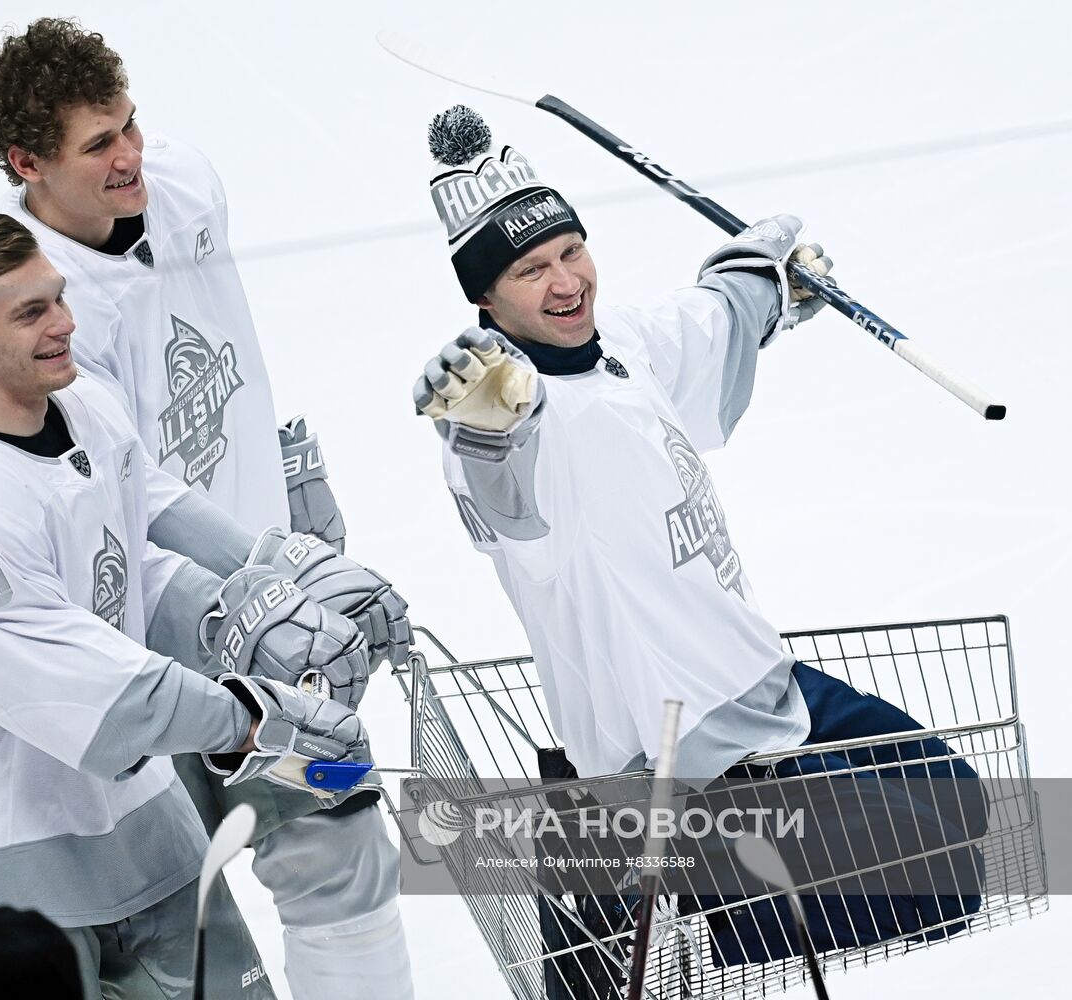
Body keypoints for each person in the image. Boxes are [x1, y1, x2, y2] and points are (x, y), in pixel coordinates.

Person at [412, 107, 987, 981]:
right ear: (484, 298)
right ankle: (701, 925)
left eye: (571, 251)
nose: (565, 281)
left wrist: (767, 275)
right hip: (678, 743)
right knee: (937, 852)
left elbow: (709, 319)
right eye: (530, 270)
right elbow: (505, 500)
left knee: (952, 808)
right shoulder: (506, 412)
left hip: (753, 682)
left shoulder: (623, 350)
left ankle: (679, 918)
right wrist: (486, 437)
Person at [0, 18, 414, 998]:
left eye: (129, 128)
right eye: (97, 145)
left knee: (341, 836)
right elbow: (109, 521)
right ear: (25, 163)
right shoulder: (28, 320)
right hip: (146, 669)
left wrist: (277, 521)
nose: (130, 159)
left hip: (271, 628)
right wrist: (239, 592)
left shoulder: (185, 184)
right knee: (165, 934)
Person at [0, 205, 377, 999]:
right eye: (32, 311)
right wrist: (251, 719)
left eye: (60, 297)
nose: (65, 325)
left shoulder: (86, 410)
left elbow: (138, 547)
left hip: (146, 841)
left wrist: (265, 591)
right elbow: (87, 691)